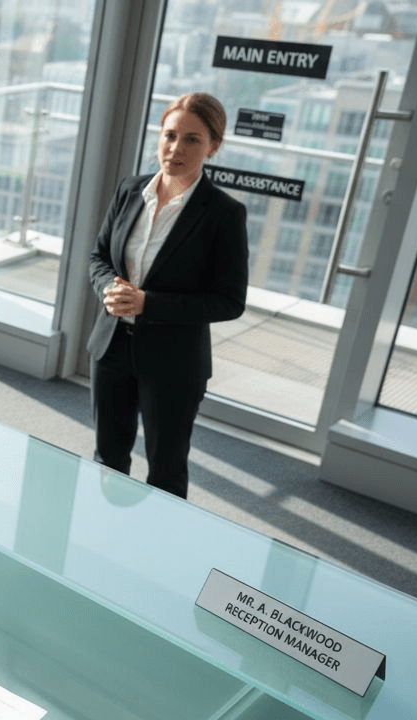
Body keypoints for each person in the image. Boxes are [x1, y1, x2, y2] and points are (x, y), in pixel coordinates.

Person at [86, 92, 249, 499]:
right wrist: (110, 287)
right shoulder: (130, 189)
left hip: (174, 361)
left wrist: (147, 304)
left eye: (192, 139)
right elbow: (99, 256)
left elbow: (229, 301)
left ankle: (159, 555)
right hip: (112, 348)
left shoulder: (224, 214)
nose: (175, 148)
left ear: (213, 145)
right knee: (107, 457)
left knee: (166, 469)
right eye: (169, 135)